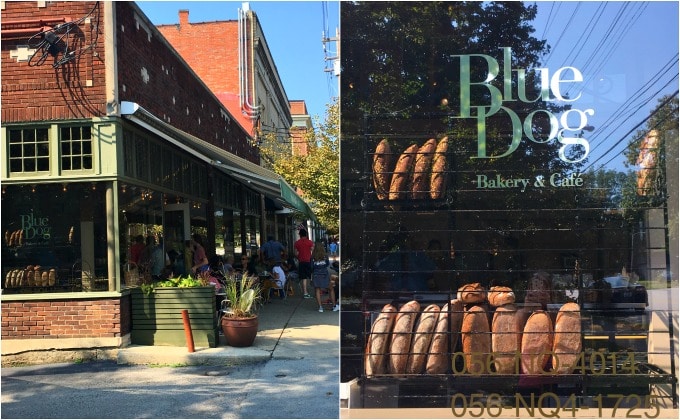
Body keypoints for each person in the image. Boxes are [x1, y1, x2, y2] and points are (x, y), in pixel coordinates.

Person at [311, 241, 339, 312]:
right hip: (324, 274)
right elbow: (327, 264)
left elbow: (311, 266)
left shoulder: (312, 256)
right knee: (331, 289)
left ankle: (320, 307)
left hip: (316, 274)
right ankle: (334, 305)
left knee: (317, 290)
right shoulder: (325, 255)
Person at [294, 229, 314, 298]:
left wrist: (299, 257)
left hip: (301, 261)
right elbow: (312, 251)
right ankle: (312, 289)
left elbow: (296, 253)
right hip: (308, 261)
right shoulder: (310, 242)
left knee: (304, 277)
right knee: (310, 275)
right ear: (306, 234)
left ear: (300, 235)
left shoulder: (297, 243)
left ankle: (305, 292)